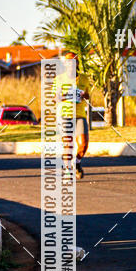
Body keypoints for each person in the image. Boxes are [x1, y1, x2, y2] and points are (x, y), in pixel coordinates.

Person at [55, 50, 90, 179]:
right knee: (68, 144)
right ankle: (67, 169)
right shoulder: (59, 79)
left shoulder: (84, 78)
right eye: (68, 62)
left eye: (73, 61)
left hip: (80, 114)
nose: (70, 64)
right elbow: (55, 97)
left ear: (77, 63)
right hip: (65, 114)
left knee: (84, 144)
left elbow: (88, 96)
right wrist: (63, 97)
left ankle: (77, 162)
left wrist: (84, 96)